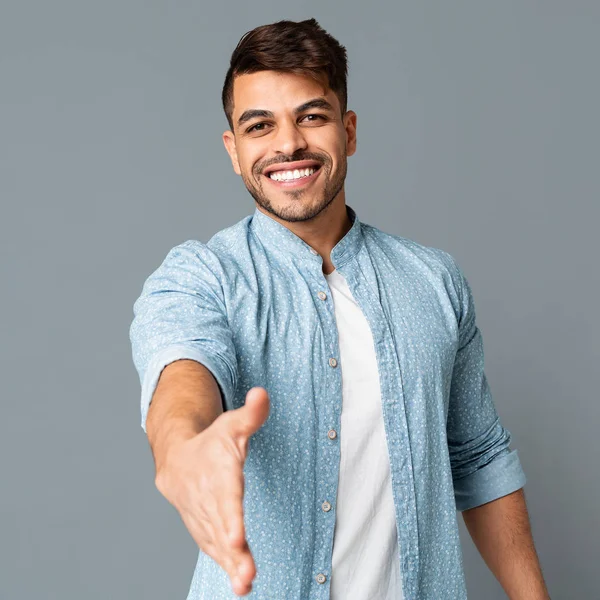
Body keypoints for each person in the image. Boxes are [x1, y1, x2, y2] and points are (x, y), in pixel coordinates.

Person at [129, 18, 550, 600]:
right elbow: (180, 370)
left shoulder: (436, 281)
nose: (288, 144)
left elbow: (479, 458)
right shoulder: (201, 276)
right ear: (233, 149)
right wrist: (184, 449)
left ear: (348, 131)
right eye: (259, 125)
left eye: (312, 116)